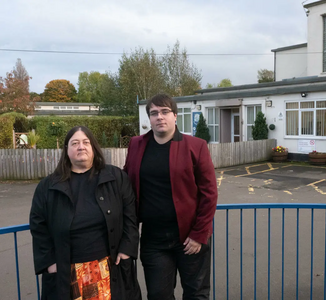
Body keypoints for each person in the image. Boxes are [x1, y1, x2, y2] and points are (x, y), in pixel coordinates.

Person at [124, 94, 218, 299]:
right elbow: (125, 183)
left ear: (175, 116)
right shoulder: (136, 145)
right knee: (158, 295)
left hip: (190, 238)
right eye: (154, 113)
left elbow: (209, 194)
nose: (160, 117)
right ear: (149, 118)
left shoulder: (196, 146)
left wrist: (199, 235)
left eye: (165, 112)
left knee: (196, 294)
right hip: (153, 239)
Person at [30, 126, 141, 300]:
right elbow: (38, 226)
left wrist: (127, 250)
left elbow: (130, 217)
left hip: (109, 267)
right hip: (68, 270)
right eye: (74, 143)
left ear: (93, 147)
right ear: (66, 150)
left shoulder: (116, 178)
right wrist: (50, 263)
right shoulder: (48, 186)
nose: (81, 147)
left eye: (85, 142)